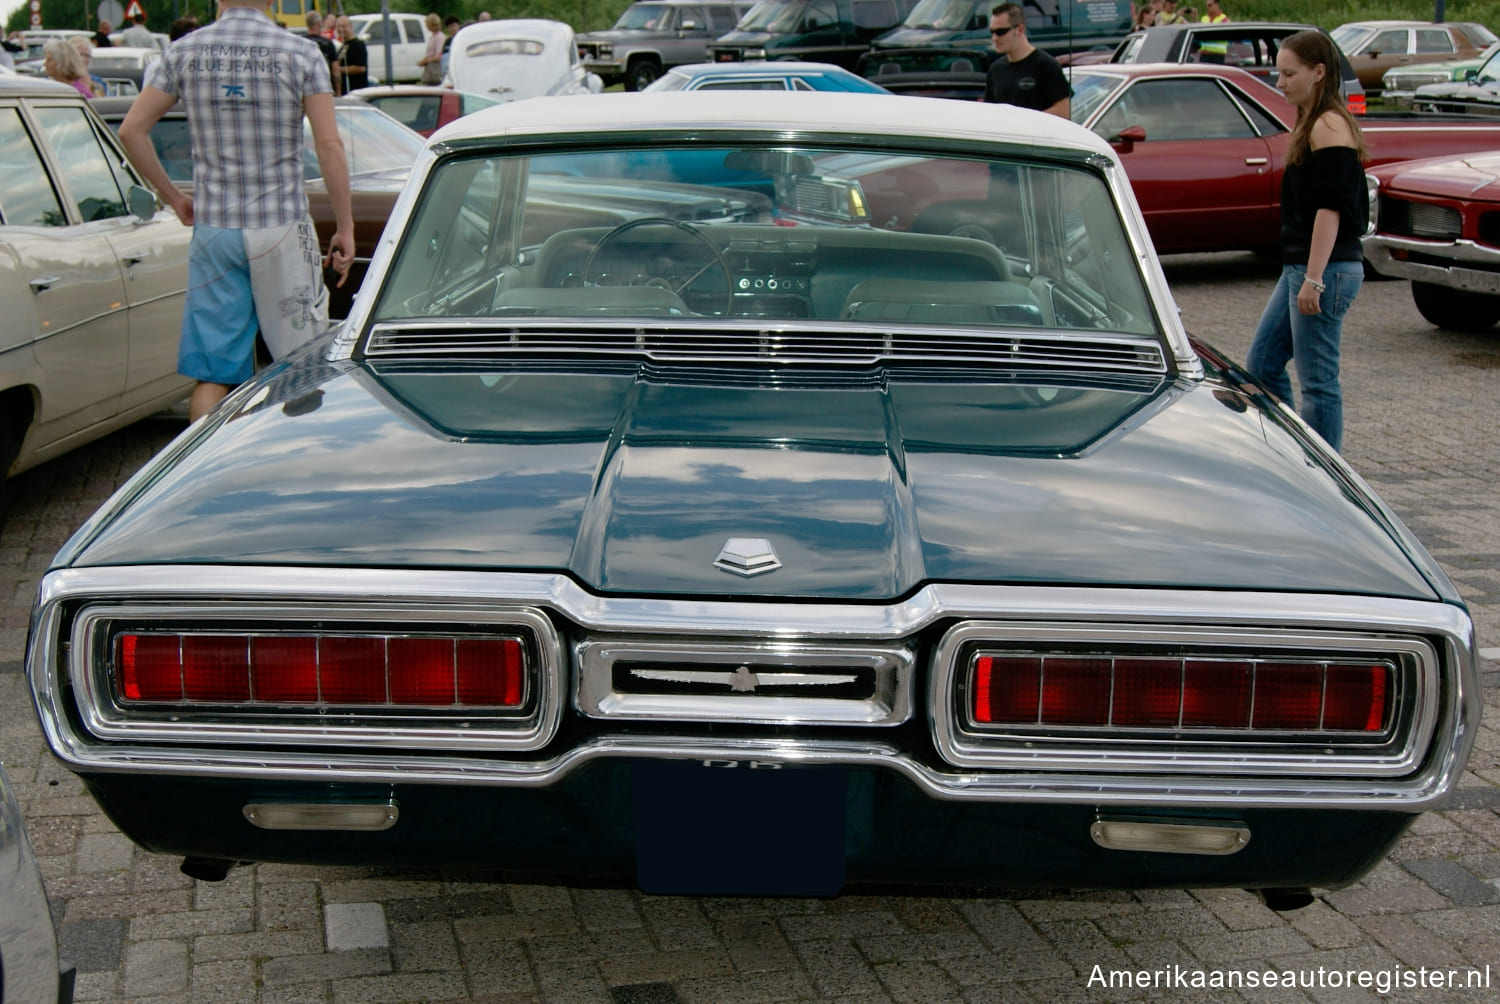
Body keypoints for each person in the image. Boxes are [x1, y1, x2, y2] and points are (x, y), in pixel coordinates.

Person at [118, 0, 355, 423]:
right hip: (281, 223)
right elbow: (329, 145)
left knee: (213, 373)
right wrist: (345, 224)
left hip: (216, 224)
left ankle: (205, 478)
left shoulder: (183, 51)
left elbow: (131, 130)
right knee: (302, 367)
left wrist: (174, 197)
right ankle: (295, 468)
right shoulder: (301, 53)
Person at [1244, 30, 1367, 453]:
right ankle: (1296, 450)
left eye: (1288, 73)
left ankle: (1325, 475)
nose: (1280, 83)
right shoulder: (1312, 122)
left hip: (1323, 269)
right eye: (1279, 73)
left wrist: (1314, 279)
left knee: (1318, 382)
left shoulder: (1329, 124)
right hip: (1304, 267)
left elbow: (1330, 209)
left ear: (1318, 72)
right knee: (1262, 363)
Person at [982, 3, 1070, 119]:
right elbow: (990, 111)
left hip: (1037, 135)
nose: (994, 38)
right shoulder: (996, 69)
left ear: (1019, 29)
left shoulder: (1046, 65)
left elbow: (1064, 111)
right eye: (992, 32)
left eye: (1000, 32)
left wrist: (1025, 121)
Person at [303, 10, 340, 91]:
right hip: (325, 86)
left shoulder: (300, 42)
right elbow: (335, 71)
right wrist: (338, 91)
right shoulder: (328, 43)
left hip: (305, 87)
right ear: (319, 23)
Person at [336, 16, 368, 93]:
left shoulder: (358, 45)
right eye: (338, 27)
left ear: (350, 27)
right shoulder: (343, 46)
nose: (341, 29)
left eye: (344, 26)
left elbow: (361, 68)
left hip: (356, 90)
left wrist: (338, 69)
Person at [418, 12, 444, 85]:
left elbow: (439, 55)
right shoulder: (432, 37)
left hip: (436, 70)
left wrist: (427, 61)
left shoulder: (439, 37)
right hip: (430, 69)